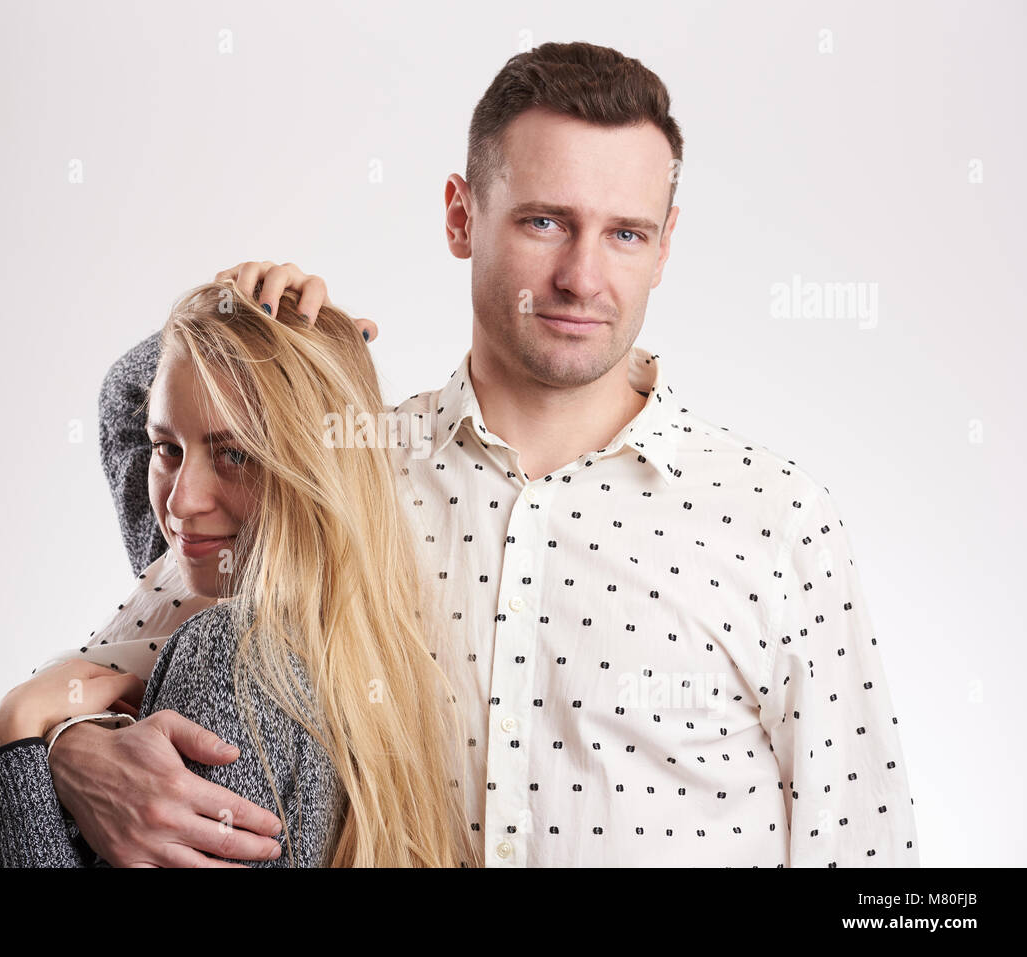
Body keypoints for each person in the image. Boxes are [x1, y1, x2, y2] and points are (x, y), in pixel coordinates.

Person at [45, 41, 920, 867]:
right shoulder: (348, 475)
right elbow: (101, 673)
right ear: (462, 216)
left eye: (626, 233)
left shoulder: (772, 518)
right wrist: (67, 746)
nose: (583, 276)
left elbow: (872, 864)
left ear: (665, 245)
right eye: (545, 222)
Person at [0, 279, 480, 868]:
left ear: (314, 469)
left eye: (235, 453)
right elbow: (123, 398)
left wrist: (16, 734)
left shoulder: (230, 656)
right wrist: (238, 303)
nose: (181, 504)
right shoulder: (194, 577)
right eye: (168, 449)